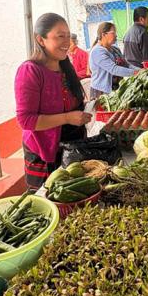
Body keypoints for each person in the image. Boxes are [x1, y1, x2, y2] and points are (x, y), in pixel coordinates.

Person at [15, 13, 91, 191]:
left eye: (68, 35)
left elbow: (71, 104)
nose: (67, 42)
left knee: (76, 196)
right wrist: (67, 118)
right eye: (60, 36)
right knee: (52, 199)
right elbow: (26, 121)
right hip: (44, 151)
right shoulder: (30, 71)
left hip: (72, 146)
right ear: (41, 39)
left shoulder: (65, 66)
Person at [89, 22, 139, 99]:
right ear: (103, 34)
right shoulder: (97, 51)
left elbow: (127, 65)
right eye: (113, 33)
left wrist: (141, 70)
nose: (116, 35)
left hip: (116, 89)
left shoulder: (115, 49)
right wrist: (136, 73)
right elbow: (113, 69)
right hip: (102, 92)